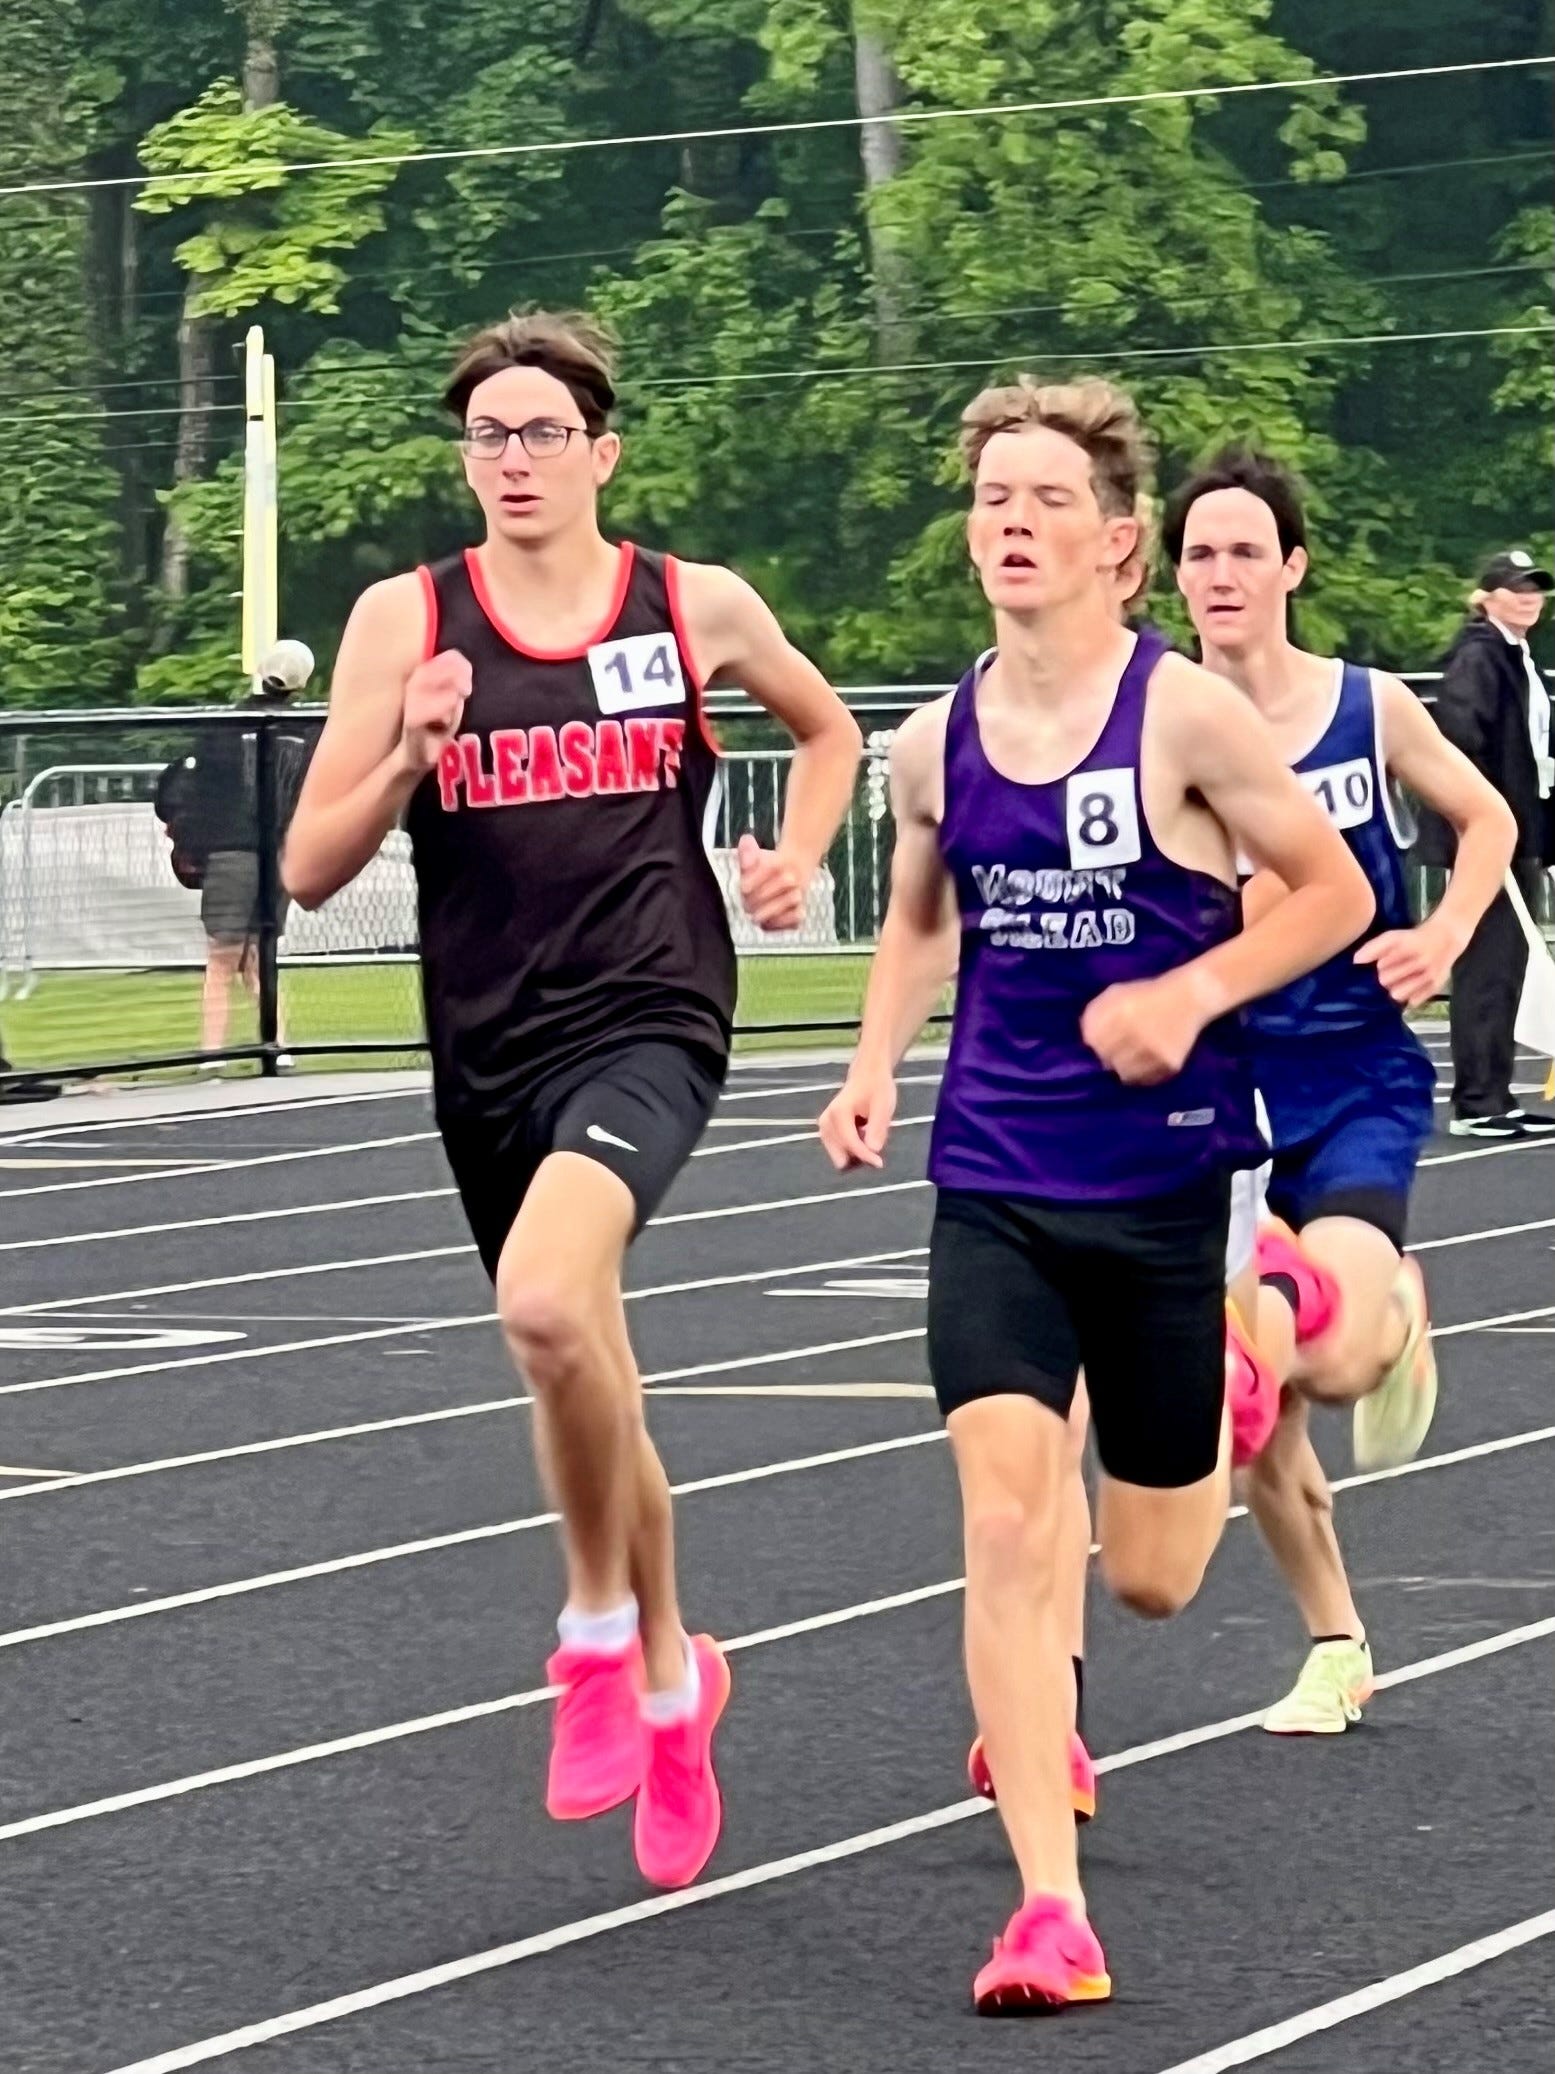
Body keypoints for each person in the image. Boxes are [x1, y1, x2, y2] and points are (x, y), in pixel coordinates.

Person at [283, 310, 861, 1889]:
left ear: (600, 451)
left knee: (545, 1305)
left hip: (651, 1017)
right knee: (582, 1366)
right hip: (485, 1042)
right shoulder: (406, 621)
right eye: (489, 436)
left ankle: (595, 1633)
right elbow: (306, 867)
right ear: (463, 458)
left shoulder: (690, 605)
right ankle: (678, 1675)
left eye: (544, 432)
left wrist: (797, 851)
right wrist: (406, 756)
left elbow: (828, 730)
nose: (515, 459)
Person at [819, 378, 1371, 2012]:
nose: (1013, 518)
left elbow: (1330, 890)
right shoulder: (937, 737)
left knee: (1147, 1572)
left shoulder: (1189, 720)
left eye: (1051, 496)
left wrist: (1194, 995)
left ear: (1120, 546)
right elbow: (921, 919)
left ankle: (1225, 1358)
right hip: (992, 1170)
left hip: (1158, 1189)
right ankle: (1048, 1908)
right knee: (1003, 1511)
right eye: (994, 493)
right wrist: (870, 1064)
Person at [1165, 447, 1518, 1731]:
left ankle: (1383, 1306)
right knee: (1254, 1398)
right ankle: (1335, 1641)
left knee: (1330, 1352)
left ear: (1292, 566)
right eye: (1198, 553)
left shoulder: (1365, 707)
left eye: (1244, 549)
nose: (1220, 574)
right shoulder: (1154, 725)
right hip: (1223, 1085)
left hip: (1354, 1069)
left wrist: (1444, 930)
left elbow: (1484, 823)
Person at [1419, 551, 1555, 1139]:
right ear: (1486, 596)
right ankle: (1478, 1100)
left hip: (1518, 831)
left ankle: (1494, 1094)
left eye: (1535, 588)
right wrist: (1481, 823)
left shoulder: (1516, 658)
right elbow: (1458, 743)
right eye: (1515, 587)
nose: (1528, 597)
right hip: (1487, 838)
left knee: (1509, 965)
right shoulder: (1478, 657)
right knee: (1488, 967)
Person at [190, 639, 319, 1069]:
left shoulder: (226, 727)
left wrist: (195, 849)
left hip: (232, 850)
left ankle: (212, 1053)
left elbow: (202, 793)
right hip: (280, 851)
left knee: (221, 957)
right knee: (260, 953)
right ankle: (278, 1046)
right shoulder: (310, 732)